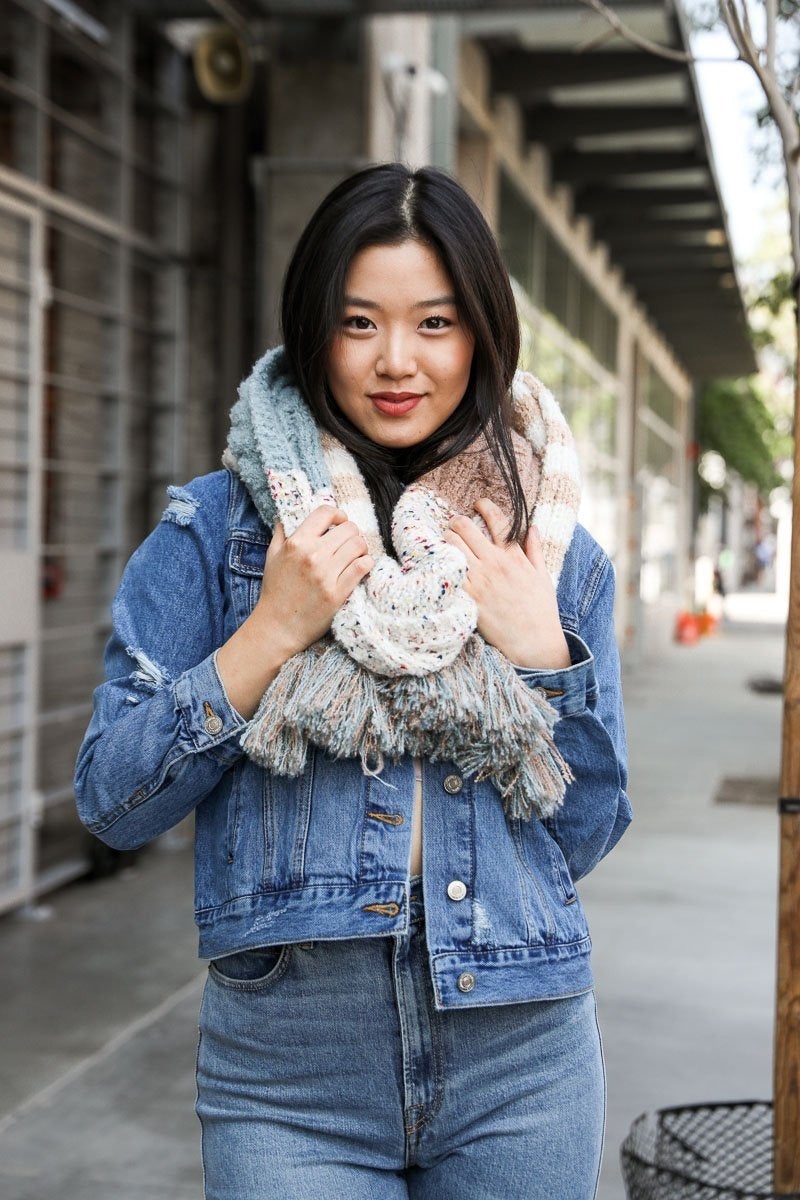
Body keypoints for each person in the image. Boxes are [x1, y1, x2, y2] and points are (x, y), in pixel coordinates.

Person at [74, 163, 631, 1200]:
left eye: (433, 323)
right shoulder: (220, 533)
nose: (395, 361)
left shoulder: (546, 551)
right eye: (358, 321)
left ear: (480, 334)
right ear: (311, 329)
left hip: (521, 1062)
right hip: (292, 1077)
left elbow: (587, 832)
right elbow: (110, 799)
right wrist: (269, 633)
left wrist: (543, 661)